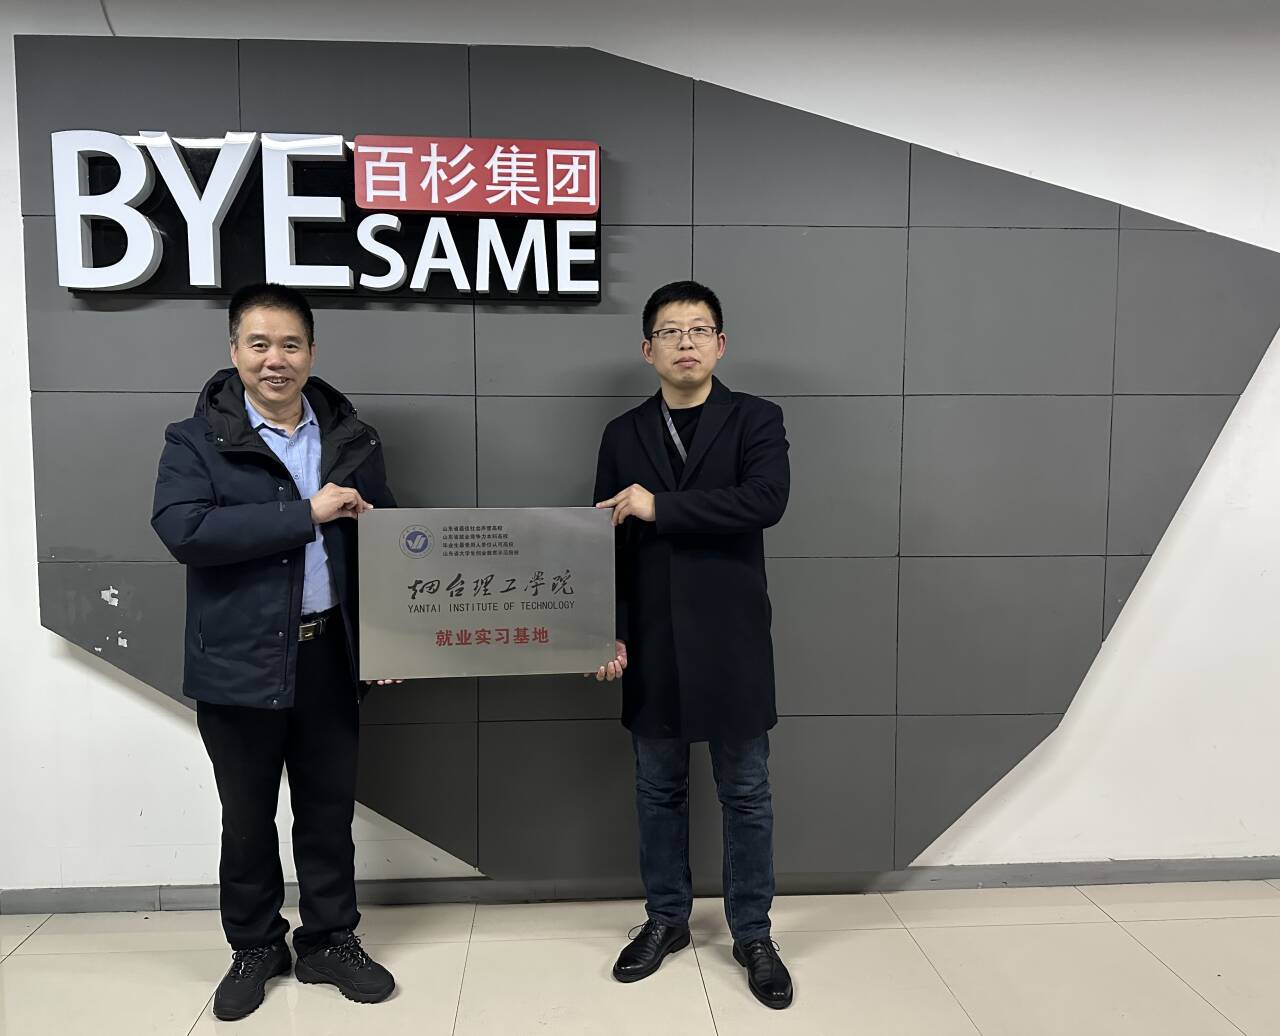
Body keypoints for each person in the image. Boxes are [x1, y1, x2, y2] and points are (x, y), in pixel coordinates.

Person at [152, 283, 400, 1021]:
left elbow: (387, 546)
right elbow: (185, 531)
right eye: (259, 344)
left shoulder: (352, 438)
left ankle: (329, 940)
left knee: (327, 812)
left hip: (330, 656)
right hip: (239, 659)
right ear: (234, 351)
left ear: (311, 352)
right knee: (247, 817)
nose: (275, 359)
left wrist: (386, 635)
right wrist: (305, 512)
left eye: (290, 344)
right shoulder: (194, 439)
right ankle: (256, 946)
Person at [592, 280, 794, 1009]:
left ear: (721, 344)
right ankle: (666, 919)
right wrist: (607, 628)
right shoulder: (623, 433)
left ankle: (753, 933)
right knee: (658, 790)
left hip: (731, 636)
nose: (686, 342)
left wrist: (663, 506)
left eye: (700, 329)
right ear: (648, 349)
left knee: (746, 792)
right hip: (650, 638)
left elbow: (766, 500)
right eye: (671, 331)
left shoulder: (755, 419)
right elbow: (605, 541)